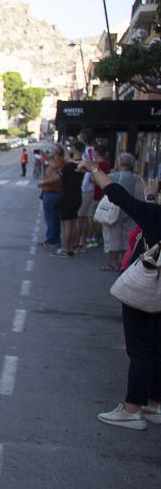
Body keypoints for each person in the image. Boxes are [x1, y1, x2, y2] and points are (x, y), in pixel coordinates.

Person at [79, 159, 161, 430]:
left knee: (139, 347)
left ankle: (132, 409)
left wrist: (94, 170)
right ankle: (153, 403)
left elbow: (119, 196)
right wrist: (151, 197)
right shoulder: (154, 213)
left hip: (147, 287)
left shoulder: (155, 215)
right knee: (156, 346)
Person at [100, 152, 145, 272]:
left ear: (119, 163)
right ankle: (124, 262)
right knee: (127, 239)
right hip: (131, 211)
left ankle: (112, 263)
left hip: (114, 211)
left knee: (113, 237)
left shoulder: (113, 176)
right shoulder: (137, 178)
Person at [54, 145, 83, 257]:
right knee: (73, 223)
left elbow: (58, 177)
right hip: (77, 196)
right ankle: (71, 248)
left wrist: (57, 168)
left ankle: (66, 249)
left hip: (67, 197)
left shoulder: (68, 167)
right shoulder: (82, 166)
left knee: (67, 225)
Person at [38, 145, 64, 247]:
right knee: (54, 217)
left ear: (56, 152)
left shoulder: (58, 162)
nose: (50, 152)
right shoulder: (56, 161)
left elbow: (56, 177)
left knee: (50, 218)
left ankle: (51, 239)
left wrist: (43, 183)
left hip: (52, 192)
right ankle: (54, 238)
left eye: (53, 150)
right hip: (53, 191)